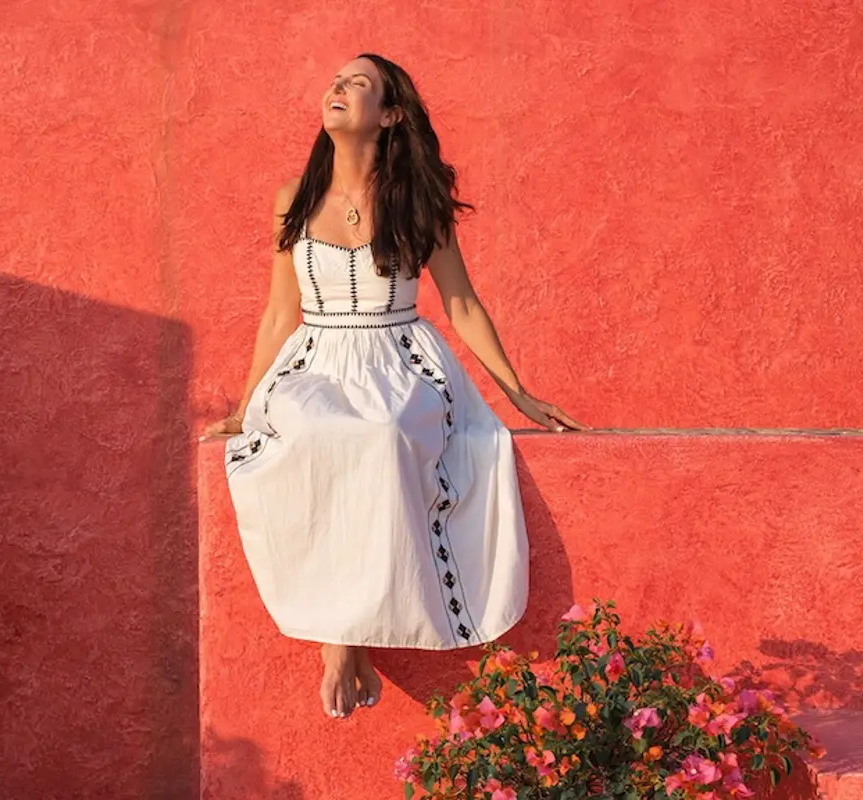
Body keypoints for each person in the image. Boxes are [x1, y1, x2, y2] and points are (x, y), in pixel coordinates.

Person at [202, 53, 587, 720]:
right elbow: (277, 313)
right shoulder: (292, 200)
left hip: (402, 360)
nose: (336, 89)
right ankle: (342, 637)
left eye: (357, 84)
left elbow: (461, 303)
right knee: (313, 434)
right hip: (314, 362)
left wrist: (518, 392)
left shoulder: (417, 202)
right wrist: (243, 405)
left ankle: (343, 636)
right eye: (333, 81)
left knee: (380, 436)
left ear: (389, 115)